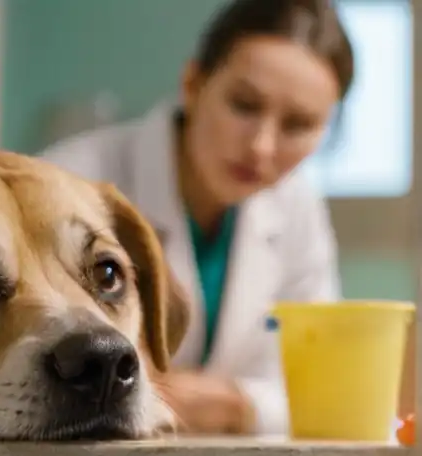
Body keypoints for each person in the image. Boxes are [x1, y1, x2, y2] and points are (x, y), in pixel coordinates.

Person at [39, 0, 355, 436]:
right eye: (244, 105)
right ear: (193, 84)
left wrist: (240, 407)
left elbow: (322, 390)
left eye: (298, 124)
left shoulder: (296, 206)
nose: (262, 146)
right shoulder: (69, 181)